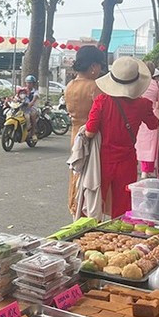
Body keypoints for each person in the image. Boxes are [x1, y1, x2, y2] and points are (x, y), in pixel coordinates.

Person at [85, 57, 159, 218]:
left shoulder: (101, 101)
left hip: (102, 160)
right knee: (123, 205)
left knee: (95, 200)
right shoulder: (143, 104)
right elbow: (154, 124)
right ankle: (119, 235)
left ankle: (90, 236)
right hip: (127, 160)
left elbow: (90, 131)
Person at [65, 45, 105, 215]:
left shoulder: (70, 85)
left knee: (76, 173)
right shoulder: (95, 87)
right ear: (94, 67)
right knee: (90, 177)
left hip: (75, 133)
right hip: (91, 134)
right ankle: (86, 211)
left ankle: (74, 207)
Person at [135, 64, 159, 179]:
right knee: (152, 145)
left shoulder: (139, 84)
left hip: (139, 116)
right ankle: (150, 169)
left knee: (141, 144)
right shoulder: (156, 84)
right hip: (153, 115)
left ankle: (144, 170)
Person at [22, 75, 40, 140]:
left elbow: (33, 101)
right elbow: (17, 97)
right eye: (27, 82)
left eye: (30, 83)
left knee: (32, 116)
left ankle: (33, 133)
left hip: (32, 108)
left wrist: (30, 104)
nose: (28, 84)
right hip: (23, 107)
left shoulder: (35, 92)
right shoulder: (23, 91)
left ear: (33, 84)